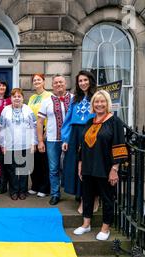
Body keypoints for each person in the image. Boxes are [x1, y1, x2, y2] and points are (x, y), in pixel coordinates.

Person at [73, 90, 128, 241]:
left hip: (105, 167)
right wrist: (80, 164)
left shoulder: (115, 122)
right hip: (88, 166)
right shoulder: (90, 122)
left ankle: (105, 228)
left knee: (107, 197)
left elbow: (119, 145)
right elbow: (82, 145)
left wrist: (115, 169)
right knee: (87, 195)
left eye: (102, 101)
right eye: (96, 102)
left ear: (108, 103)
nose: (99, 104)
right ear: (93, 104)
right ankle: (86, 224)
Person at [62, 70, 98, 214]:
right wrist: (65, 138)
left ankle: (94, 197)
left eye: (85, 80)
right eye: (80, 81)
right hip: (76, 134)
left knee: (90, 167)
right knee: (76, 166)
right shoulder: (75, 98)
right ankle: (82, 195)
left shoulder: (97, 97)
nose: (83, 83)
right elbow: (68, 120)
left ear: (90, 80)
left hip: (91, 132)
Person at [37, 74, 74, 206]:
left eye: (61, 82)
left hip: (71, 139)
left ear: (65, 84)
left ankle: (76, 192)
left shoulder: (74, 99)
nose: (59, 85)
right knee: (53, 168)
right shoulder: (47, 101)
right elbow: (40, 122)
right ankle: (55, 194)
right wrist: (40, 141)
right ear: (52, 85)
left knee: (73, 166)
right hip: (52, 140)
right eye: (56, 83)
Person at [0, 88, 37, 200]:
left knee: (24, 170)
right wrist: (3, 144)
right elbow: (1, 128)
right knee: (12, 171)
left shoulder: (28, 109)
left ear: (22, 98)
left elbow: (34, 127)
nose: (17, 98)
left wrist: (33, 143)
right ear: (11, 98)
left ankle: (23, 191)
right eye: (14, 96)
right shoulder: (5, 110)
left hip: (25, 144)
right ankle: (14, 191)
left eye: (19, 96)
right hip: (10, 146)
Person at [27, 74, 52, 198]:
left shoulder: (49, 96)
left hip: (44, 129)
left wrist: (45, 132)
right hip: (32, 131)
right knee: (34, 160)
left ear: (43, 82)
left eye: (39, 79)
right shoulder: (32, 97)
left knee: (44, 160)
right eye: (34, 80)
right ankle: (35, 185)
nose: (36, 81)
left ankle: (45, 187)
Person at [0, 79, 12, 194]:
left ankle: (4, 185)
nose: (1, 88)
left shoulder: (9, 100)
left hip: (6, 133)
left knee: (5, 161)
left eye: (3, 86)